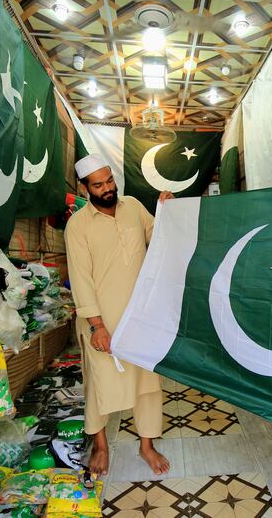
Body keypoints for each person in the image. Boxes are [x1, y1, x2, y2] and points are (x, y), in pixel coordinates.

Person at [65, 154, 174, 477]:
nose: (107, 188)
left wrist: (167, 212)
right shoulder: (78, 225)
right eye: (98, 185)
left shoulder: (133, 207)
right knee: (100, 386)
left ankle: (146, 445)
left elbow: (160, 238)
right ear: (85, 189)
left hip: (140, 318)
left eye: (109, 180)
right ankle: (100, 446)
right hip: (102, 321)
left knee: (148, 384)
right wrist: (97, 326)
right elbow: (80, 278)